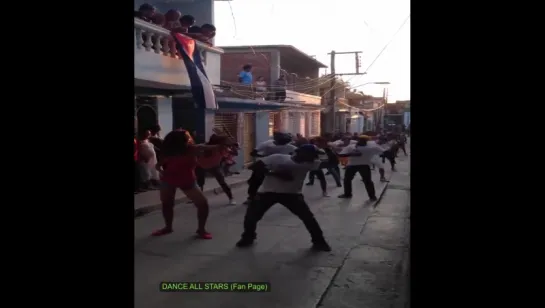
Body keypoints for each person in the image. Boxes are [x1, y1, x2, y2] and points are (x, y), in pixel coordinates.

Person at [236, 145, 332, 251]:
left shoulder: (311, 163)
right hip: (267, 192)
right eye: (310, 155)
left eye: (313, 156)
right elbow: (253, 167)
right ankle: (248, 237)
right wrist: (275, 173)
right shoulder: (278, 158)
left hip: (292, 194)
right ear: (299, 152)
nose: (311, 158)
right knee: (251, 216)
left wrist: (326, 149)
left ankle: (319, 241)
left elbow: (332, 162)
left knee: (308, 218)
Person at [153, 129, 233, 239]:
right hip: (169, 179)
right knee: (167, 204)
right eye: (188, 136)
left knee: (203, 204)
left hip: (187, 180)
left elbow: (209, 147)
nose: (191, 138)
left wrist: (223, 143)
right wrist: (161, 171)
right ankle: (168, 227)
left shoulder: (192, 149)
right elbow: (158, 165)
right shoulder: (170, 151)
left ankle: (201, 230)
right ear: (181, 140)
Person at [243, 132, 296, 205]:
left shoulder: (291, 147)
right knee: (254, 182)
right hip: (265, 165)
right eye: (280, 141)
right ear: (276, 139)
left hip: (280, 167)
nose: (282, 144)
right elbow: (253, 153)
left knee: (286, 181)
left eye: (284, 142)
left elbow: (297, 154)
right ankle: (251, 197)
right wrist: (264, 157)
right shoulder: (267, 144)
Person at [337, 135, 384, 200]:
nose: (362, 141)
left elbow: (341, 154)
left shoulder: (370, 147)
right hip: (356, 165)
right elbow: (341, 154)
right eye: (361, 140)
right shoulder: (353, 147)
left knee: (365, 181)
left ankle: (371, 196)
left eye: (363, 140)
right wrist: (351, 154)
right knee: (350, 180)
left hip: (358, 165)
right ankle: (371, 196)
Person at [195, 134, 236, 206]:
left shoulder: (222, 148)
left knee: (222, 182)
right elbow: (198, 147)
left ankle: (231, 198)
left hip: (214, 167)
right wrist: (216, 146)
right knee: (200, 183)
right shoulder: (204, 146)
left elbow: (235, 153)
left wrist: (232, 145)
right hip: (200, 166)